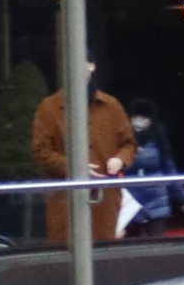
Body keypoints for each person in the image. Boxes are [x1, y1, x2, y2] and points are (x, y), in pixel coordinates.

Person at [32, 60, 137, 244]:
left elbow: (129, 144)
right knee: (66, 252)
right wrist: (72, 166)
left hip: (105, 197)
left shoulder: (111, 106)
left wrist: (120, 160)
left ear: (92, 66)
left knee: (105, 253)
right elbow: (41, 151)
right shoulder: (49, 107)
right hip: (65, 197)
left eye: (83, 62)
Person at [120, 98, 184, 238]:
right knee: (131, 242)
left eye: (144, 117)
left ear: (150, 120)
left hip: (156, 196)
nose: (139, 120)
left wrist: (182, 197)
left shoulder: (158, 135)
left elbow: (169, 168)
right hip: (131, 197)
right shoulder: (123, 137)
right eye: (136, 116)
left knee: (156, 239)